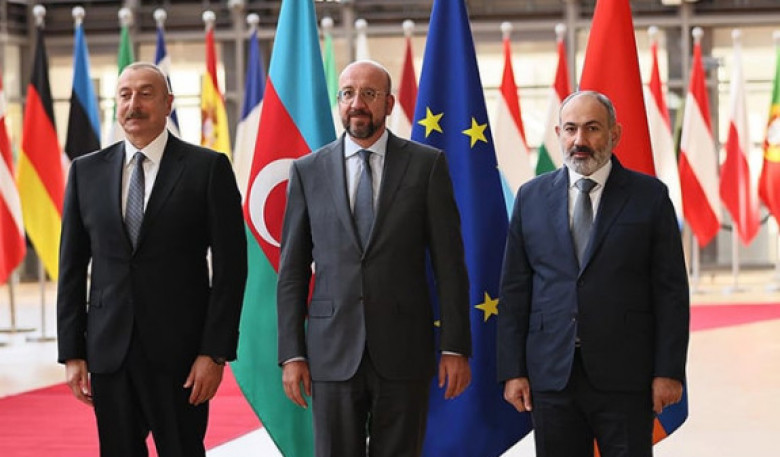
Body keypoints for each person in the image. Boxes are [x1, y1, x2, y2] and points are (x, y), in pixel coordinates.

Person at [277, 60, 472, 457]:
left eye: (369, 94)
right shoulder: (307, 171)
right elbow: (293, 272)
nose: (357, 103)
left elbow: (450, 266)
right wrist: (292, 353)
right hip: (331, 351)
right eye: (348, 93)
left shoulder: (426, 165)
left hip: (404, 349)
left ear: (389, 103)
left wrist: (455, 346)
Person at [57, 62, 247, 457]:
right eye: (125, 95)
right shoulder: (85, 172)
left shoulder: (207, 169)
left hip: (180, 356)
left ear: (168, 103)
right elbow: (71, 269)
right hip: (109, 353)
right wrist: (73, 352)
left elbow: (231, 270)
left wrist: (214, 353)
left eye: (146, 93)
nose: (134, 104)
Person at [497, 91, 689, 457]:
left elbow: (671, 293)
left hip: (626, 376)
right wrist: (513, 371)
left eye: (592, 128)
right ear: (558, 133)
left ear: (615, 134)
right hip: (552, 376)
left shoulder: (650, 197)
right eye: (570, 129)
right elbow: (515, 290)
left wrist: (669, 371)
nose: (579, 140)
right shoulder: (530, 197)